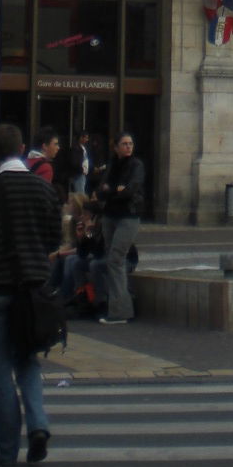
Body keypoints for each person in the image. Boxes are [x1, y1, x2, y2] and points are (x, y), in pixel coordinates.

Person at [0, 122, 62, 467]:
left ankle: (5, 449)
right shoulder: (44, 189)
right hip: (34, 289)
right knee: (28, 360)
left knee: (0, 370)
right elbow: (53, 239)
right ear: (23, 149)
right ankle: (38, 425)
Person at [92, 130, 144, 324]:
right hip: (110, 215)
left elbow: (131, 189)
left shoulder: (136, 165)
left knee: (116, 258)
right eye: (124, 144)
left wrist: (112, 191)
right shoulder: (112, 165)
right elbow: (101, 190)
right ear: (116, 147)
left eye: (130, 143)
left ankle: (120, 311)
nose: (128, 147)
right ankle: (117, 306)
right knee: (111, 259)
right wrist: (115, 190)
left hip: (128, 216)